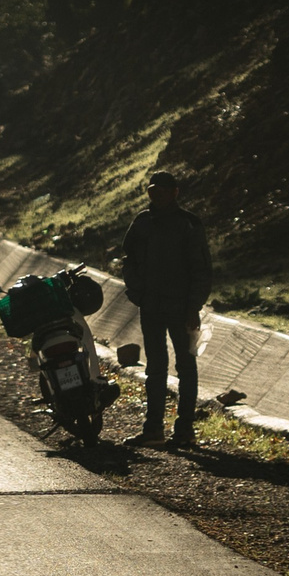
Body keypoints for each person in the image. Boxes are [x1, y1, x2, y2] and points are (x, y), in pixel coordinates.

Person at [118, 169, 213, 447]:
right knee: (156, 368)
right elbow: (129, 259)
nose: (156, 195)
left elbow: (201, 269)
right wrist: (137, 293)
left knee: (186, 367)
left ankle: (184, 430)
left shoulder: (189, 225)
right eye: (152, 191)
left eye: (161, 190)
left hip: (181, 309)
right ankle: (154, 429)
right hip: (151, 307)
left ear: (175, 193)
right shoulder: (142, 222)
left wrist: (194, 306)